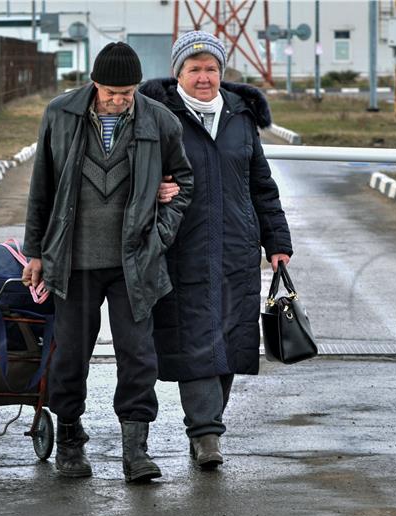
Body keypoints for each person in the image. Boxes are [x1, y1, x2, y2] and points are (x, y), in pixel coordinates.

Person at [22, 42, 193, 482]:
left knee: (137, 355)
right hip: (73, 262)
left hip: (134, 262)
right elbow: (41, 188)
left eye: (128, 92)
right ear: (94, 83)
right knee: (70, 354)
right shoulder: (61, 114)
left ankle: (136, 451)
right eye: (111, 91)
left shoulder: (160, 120)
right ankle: (71, 441)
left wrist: (160, 233)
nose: (119, 100)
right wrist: (35, 253)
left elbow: (184, 182)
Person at [140, 31, 292, 470]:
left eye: (211, 69)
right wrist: (153, 189)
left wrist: (277, 242)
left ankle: (208, 426)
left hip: (236, 247)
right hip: (181, 245)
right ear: (178, 73)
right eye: (195, 69)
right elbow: (132, 174)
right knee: (195, 338)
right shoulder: (157, 116)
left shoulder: (240, 117)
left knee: (229, 335)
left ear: (222, 73)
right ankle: (206, 435)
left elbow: (261, 184)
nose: (204, 77)